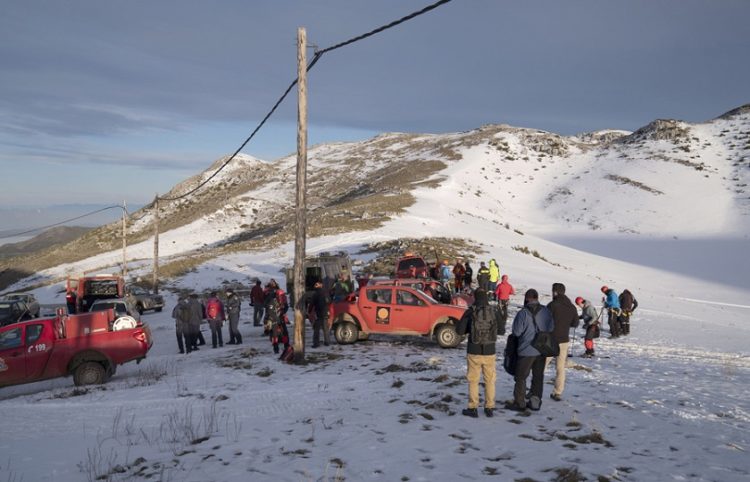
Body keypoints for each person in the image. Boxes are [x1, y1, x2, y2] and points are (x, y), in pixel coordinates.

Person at [455, 288, 503, 417]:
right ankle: (489, 407)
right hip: (490, 350)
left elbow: (459, 331)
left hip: (473, 350)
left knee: (473, 380)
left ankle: (473, 407)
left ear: (475, 297)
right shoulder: (493, 311)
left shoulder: (470, 312)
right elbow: (502, 330)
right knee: (490, 380)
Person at [505, 289, 554, 412]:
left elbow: (516, 332)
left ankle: (519, 403)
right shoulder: (546, 311)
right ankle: (535, 403)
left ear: (527, 298)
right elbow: (551, 327)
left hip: (526, 350)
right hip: (542, 349)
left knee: (521, 377)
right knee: (538, 376)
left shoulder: (523, 313)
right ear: (537, 298)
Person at [545, 283, 579, 401]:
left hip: (551, 339)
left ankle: (535, 389)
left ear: (555, 292)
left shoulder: (552, 305)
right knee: (560, 367)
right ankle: (558, 392)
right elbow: (575, 323)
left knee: (542, 365)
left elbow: (543, 320)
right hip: (564, 340)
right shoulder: (571, 307)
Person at [310, 281, 331, 347]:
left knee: (316, 329)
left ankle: (316, 343)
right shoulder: (326, 293)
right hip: (325, 313)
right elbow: (329, 301)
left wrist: (309, 311)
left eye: (316, 284)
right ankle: (327, 342)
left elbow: (312, 304)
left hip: (318, 314)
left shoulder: (315, 294)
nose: (315, 285)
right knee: (325, 329)